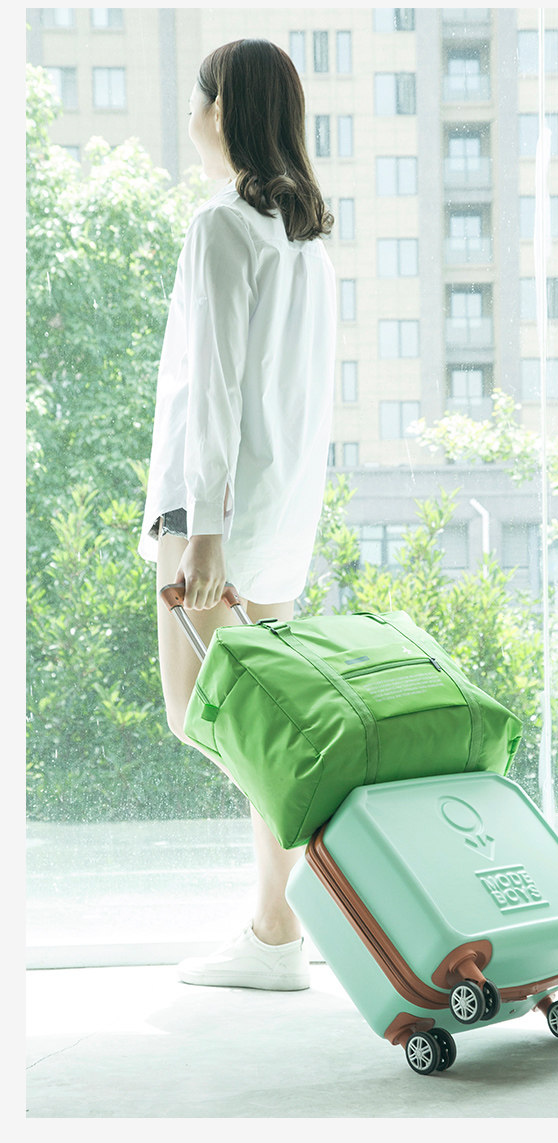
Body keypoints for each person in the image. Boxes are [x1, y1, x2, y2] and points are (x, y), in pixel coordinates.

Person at [137, 39, 336, 991]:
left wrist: (205, 533)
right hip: (279, 511)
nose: (190, 115)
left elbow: (210, 388)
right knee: (259, 719)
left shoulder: (223, 224)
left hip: (212, 512)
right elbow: (302, 395)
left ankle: (293, 910)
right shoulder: (306, 235)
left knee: (205, 715)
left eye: (196, 98)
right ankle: (275, 933)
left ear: (223, 110)